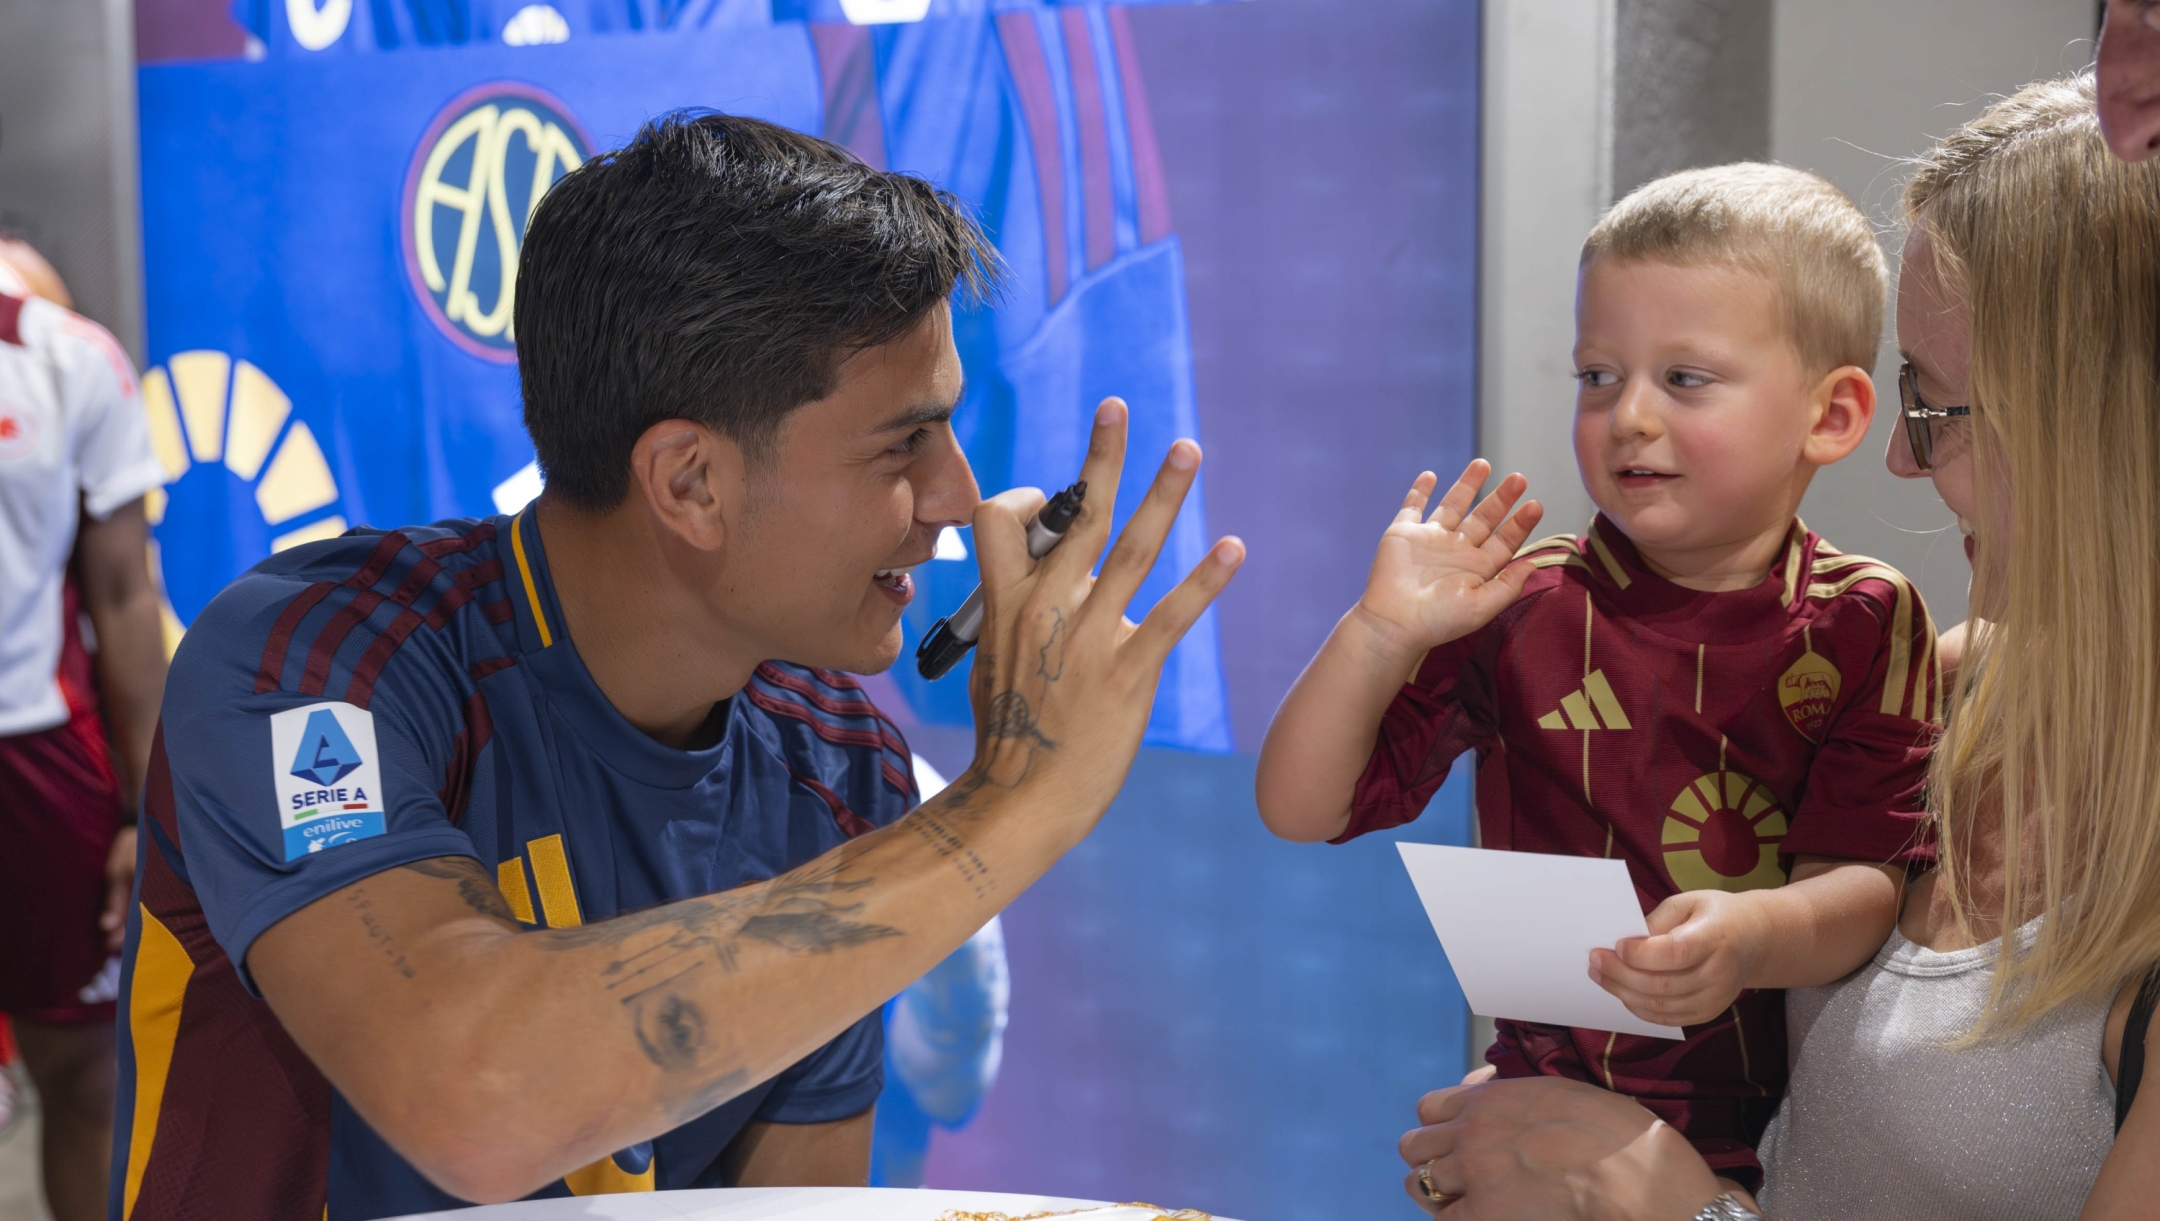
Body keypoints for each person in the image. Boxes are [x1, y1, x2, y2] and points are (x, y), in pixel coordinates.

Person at [109, 111, 1241, 1220]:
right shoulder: (317, 658)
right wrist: (1013, 807)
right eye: (906, 443)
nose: (956, 497)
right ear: (691, 481)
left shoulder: (838, 765)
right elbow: (471, 1100)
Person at [1396, 72, 2160, 1221]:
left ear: (2109, 429)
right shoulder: (1941, 685)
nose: (1903, 460)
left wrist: (1671, 1203)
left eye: (1940, 405)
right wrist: (1565, 1122)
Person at [1256, 164, 1934, 1191]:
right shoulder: (1522, 604)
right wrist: (1377, 633)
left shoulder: (1863, 617)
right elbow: (1302, 808)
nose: (1630, 418)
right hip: (1525, 1124)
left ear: (1832, 416)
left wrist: (1749, 937)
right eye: (1598, 377)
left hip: (1776, 1156)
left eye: (1687, 378)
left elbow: (1867, 884)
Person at [0, 235, 169, 1221]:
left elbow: (121, 592)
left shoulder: (68, 358)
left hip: (39, 765)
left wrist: (140, 811)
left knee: (89, 1077)